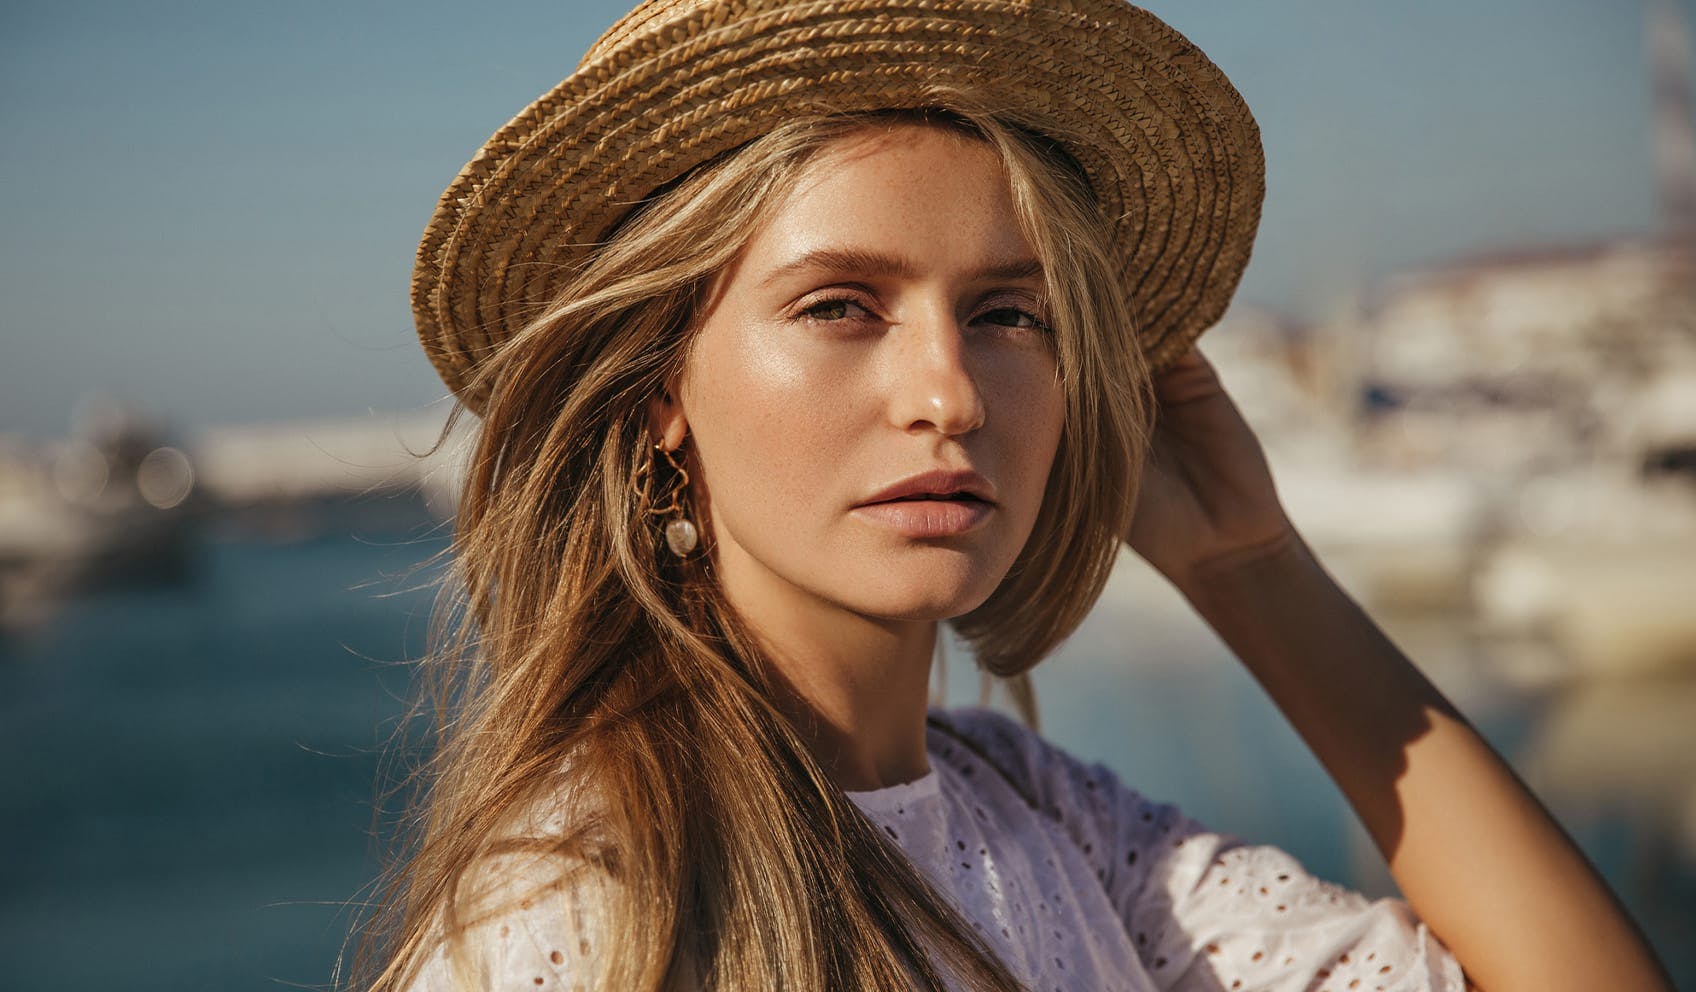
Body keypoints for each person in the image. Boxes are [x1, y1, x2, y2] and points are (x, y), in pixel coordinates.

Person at [350, 2, 1673, 990]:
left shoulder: (1048, 817)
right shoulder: (580, 911)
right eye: (839, 306)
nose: (952, 392)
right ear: (658, 388)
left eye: (1006, 315)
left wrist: (1252, 566)